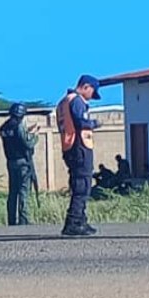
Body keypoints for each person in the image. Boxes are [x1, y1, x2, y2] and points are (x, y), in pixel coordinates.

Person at [56, 75, 102, 236]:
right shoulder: (76, 100)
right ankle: (74, 222)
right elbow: (80, 121)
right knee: (82, 185)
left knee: (78, 183)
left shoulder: (63, 102)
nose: (92, 97)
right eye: (92, 92)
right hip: (79, 146)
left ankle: (81, 220)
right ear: (86, 86)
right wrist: (94, 124)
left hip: (69, 146)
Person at [0, 103, 39, 226]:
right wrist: (34, 136)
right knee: (23, 191)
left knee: (13, 192)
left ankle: (11, 219)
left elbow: (16, 138)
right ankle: (23, 219)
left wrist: (27, 132)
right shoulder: (19, 126)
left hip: (11, 162)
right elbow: (27, 144)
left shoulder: (4, 127)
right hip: (23, 162)